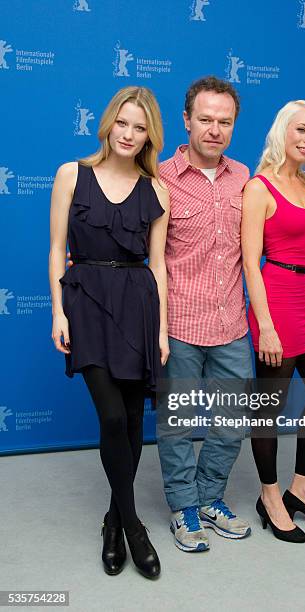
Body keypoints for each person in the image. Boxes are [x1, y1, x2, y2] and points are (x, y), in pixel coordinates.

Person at [49, 86, 169, 578]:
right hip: (87, 303)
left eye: (140, 128)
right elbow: (58, 249)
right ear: (108, 123)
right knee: (113, 420)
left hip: (138, 305)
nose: (129, 134)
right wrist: (58, 311)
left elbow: (158, 266)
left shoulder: (156, 190)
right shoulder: (70, 175)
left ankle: (113, 522)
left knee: (134, 421)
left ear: (150, 137)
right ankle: (133, 524)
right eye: (123, 123)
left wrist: (161, 332)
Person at [157, 76, 252, 552]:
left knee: (232, 420)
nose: (215, 129)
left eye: (225, 121)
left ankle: (212, 497)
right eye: (206, 119)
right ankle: (183, 507)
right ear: (187, 120)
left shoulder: (243, 177)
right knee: (175, 422)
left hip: (232, 322)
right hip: (178, 325)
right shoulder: (160, 177)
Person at [242, 100, 305, 544]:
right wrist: (264, 325)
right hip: (276, 305)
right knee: (269, 410)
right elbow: (249, 261)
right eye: (301, 129)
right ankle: (270, 494)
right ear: (283, 130)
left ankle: (302, 485)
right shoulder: (259, 187)